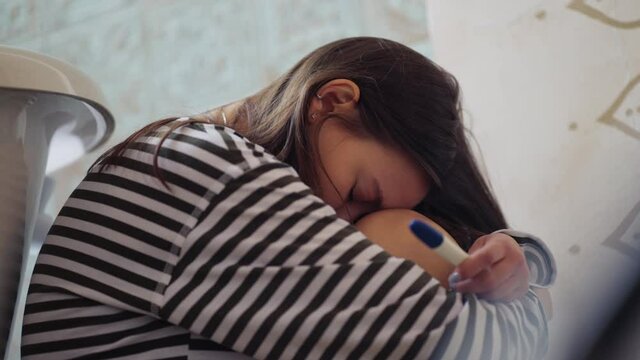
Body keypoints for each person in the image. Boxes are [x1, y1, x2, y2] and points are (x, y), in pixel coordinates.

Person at [21, 37, 555, 359]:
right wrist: (533, 301)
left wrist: (517, 257)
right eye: (358, 195)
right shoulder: (211, 172)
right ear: (334, 99)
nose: (348, 226)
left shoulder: (191, 160)